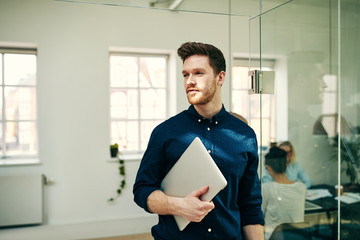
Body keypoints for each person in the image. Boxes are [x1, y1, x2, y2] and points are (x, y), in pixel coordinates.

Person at [133, 42, 264, 240]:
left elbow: (251, 205)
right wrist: (178, 206)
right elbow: (142, 190)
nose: (189, 81)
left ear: (220, 77)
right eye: (185, 75)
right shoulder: (165, 132)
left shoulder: (245, 136)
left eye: (198, 73)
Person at [261, 147, 306, 239]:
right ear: (286, 165)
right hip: (297, 237)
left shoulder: (266, 188)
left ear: (268, 168)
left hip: (274, 238)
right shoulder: (302, 188)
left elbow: (259, 216)